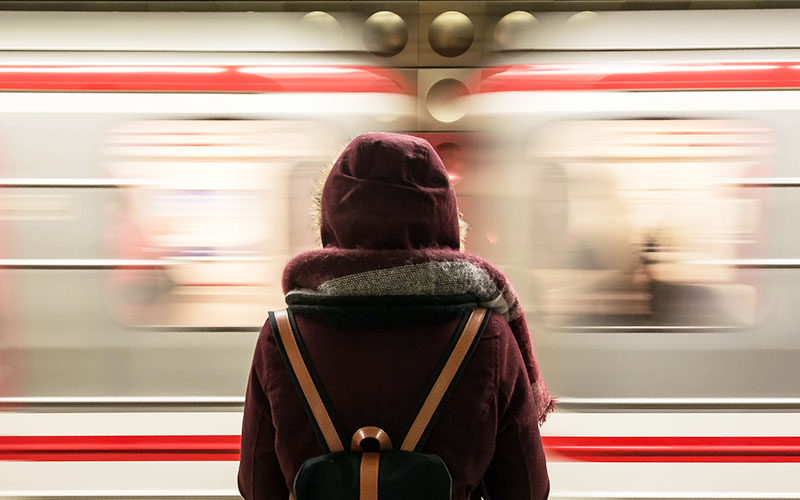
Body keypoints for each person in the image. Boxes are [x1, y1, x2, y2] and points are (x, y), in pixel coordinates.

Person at [238, 133, 553, 500]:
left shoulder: (282, 337)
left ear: (332, 217)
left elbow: (256, 485)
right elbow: (528, 489)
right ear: (445, 218)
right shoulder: (488, 335)